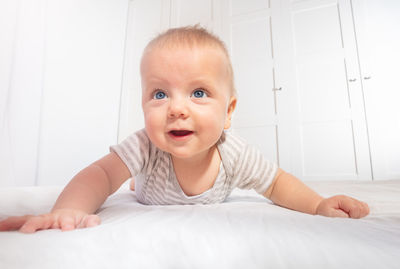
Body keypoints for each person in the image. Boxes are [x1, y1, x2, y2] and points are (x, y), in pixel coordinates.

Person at [0, 26, 369, 233]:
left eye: (199, 92)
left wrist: (318, 205)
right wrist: (67, 211)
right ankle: (136, 181)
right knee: (127, 178)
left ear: (228, 112)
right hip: (148, 185)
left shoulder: (233, 151)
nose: (177, 108)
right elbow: (99, 174)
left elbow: (276, 183)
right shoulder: (145, 145)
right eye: (159, 93)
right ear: (143, 103)